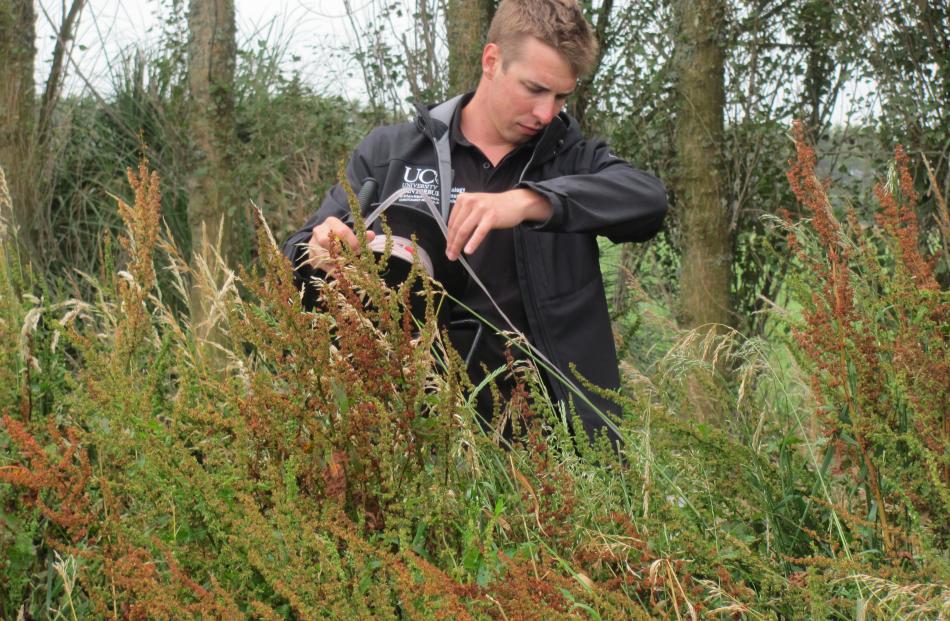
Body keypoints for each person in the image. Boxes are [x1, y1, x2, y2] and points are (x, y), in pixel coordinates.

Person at [282, 0, 668, 443]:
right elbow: (295, 254)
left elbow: (649, 200)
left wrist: (530, 202)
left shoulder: (573, 161)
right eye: (534, 88)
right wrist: (315, 249)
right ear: (492, 60)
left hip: (552, 440)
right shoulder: (392, 153)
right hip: (418, 433)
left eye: (561, 96)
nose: (547, 113)